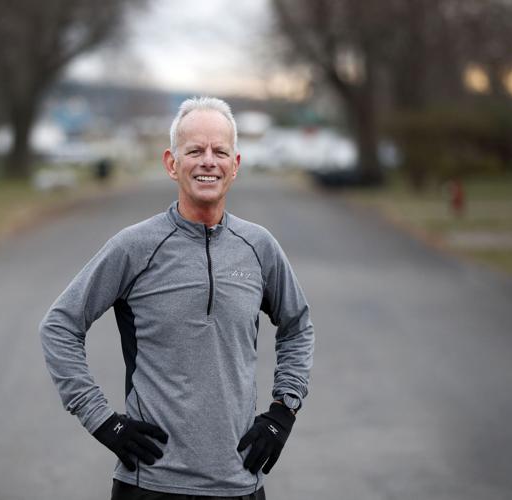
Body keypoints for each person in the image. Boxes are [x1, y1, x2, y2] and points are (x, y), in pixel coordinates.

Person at [40, 96, 314, 499]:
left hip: (238, 483)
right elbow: (59, 326)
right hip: (149, 484)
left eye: (220, 151)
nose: (208, 162)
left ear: (235, 165)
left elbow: (297, 325)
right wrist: (102, 420)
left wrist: (283, 411)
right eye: (195, 151)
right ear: (172, 163)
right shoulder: (135, 246)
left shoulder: (259, 247)